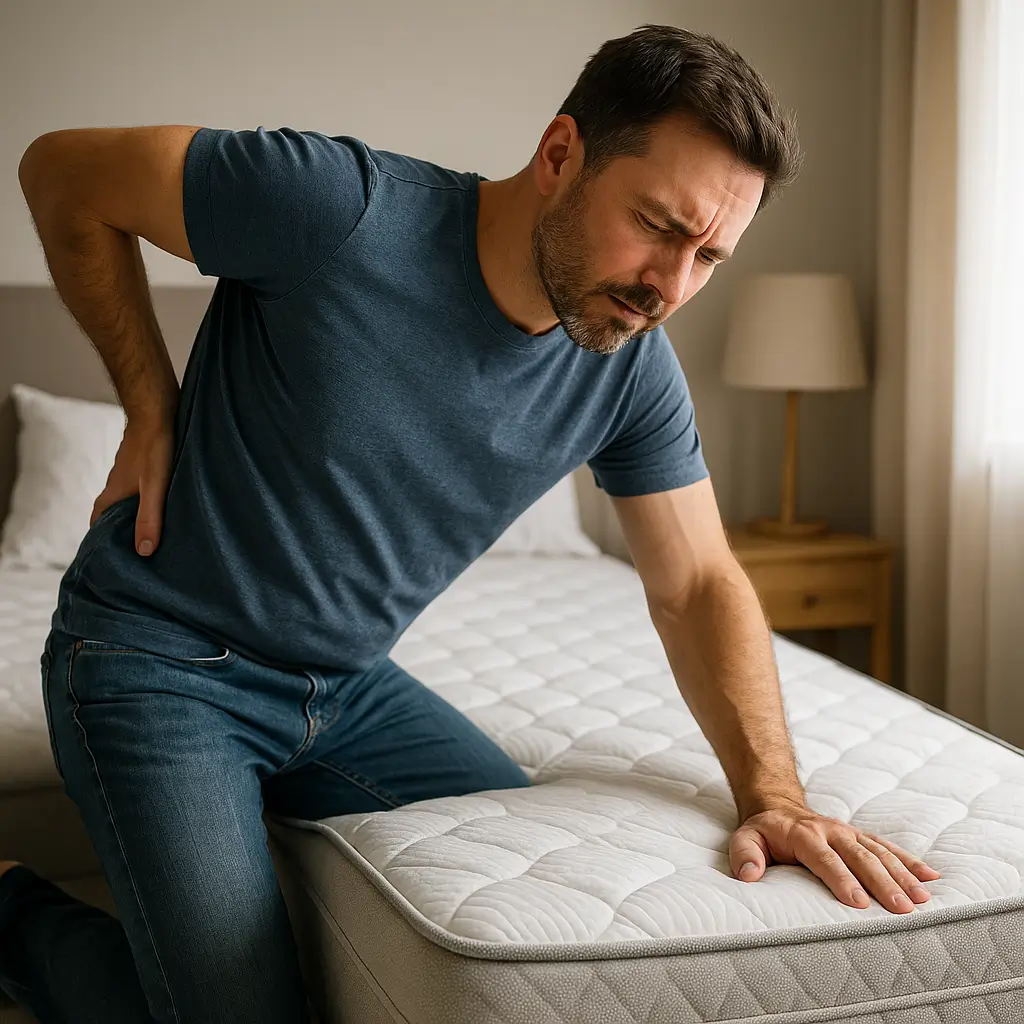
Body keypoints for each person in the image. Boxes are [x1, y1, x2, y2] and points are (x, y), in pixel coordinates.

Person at [1, 22, 940, 1024]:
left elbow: (698, 581)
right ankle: (14, 910)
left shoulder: (628, 367)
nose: (671, 288)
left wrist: (776, 796)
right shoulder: (333, 206)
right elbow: (61, 173)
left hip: (346, 686)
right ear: (559, 153)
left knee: (537, 904)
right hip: (155, 656)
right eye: (659, 226)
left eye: (710, 254)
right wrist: (150, 405)